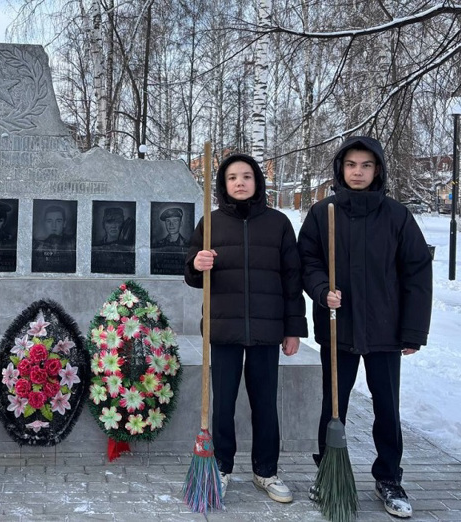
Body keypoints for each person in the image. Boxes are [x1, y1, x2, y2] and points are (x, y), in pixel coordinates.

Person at [298, 136, 432, 518]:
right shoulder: (323, 213)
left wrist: (413, 331)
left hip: (385, 331)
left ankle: (388, 477)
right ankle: (329, 472)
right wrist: (322, 290)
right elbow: (307, 260)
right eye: (352, 165)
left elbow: (417, 273)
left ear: (378, 171)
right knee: (333, 405)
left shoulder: (396, 216)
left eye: (366, 166)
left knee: (387, 407)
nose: (358, 172)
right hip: (339, 327)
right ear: (341, 168)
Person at [184, 153, 307, 503]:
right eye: (233, 177)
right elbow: (190, 274)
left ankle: (265, 471)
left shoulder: (279, 224)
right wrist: (197, 263)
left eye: (247, 176)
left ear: (258, 182)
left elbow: (291, 279)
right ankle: (220, 467)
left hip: (267, 332)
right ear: (223, 184)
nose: (240, 182)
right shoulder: (210, 224)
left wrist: (293, 329)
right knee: (222, 404)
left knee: (265, 404)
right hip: (224, 329)